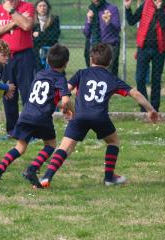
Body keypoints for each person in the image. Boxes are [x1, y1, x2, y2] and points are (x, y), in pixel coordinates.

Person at [36, 43, 159, 188]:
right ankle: (109, 178)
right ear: (110, 62)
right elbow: (135, 93)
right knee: (113, 141)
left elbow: (65, 90)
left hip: (79, 116)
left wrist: (61, 106)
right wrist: (151, 110)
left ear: (90, 59)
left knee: (64, 147)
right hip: (99, 117)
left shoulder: (81, 73)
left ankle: (46, 178)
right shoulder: (112, 78)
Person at [0, 44, 72, 191]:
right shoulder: (60, 78)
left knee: (20, 147)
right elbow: (65, 101)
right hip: (42, 117)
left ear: (48, 61)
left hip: (26, 114)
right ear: (66, 63)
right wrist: (69, 110)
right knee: (50, 145)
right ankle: (32, 168)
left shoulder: (39, 74)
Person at [0, 0, 36, 139]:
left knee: (28, 93)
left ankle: (30, 131)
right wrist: (15, 22)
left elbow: (27, 25)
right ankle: (12, 130)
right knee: (8, 93)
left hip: (24, 56)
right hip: (5, 57)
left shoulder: (27, 6)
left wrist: (11, 11)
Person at [125, 0, 165, 111]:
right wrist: (128, 8)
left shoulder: (163, 8)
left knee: (156, 80)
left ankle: (154, 109)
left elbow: (163, 25)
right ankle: (145, 108)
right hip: (143, 48)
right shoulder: (146, 4)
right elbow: (132, 21)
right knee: (140, 79)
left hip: (159, 50)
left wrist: (160, 9)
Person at [83, 0, 121, 76]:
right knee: (94, 75)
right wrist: (89, 20)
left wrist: (108, 23)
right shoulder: (91, 10)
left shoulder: (112, 9)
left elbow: (117, 29)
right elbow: (86, 33)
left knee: (108, 75)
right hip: (94, 47)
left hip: (109, 47)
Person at [32, 0, 61, 71]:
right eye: (40, 6)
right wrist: (44, 35)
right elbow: (31, 38)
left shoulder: (54, 19)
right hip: (36, 51)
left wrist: (39, 35)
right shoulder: (32, 20)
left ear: (48, 7)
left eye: (44, 6)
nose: (42, 8)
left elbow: (54, 36)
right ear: (36, 8)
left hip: (50, 50)